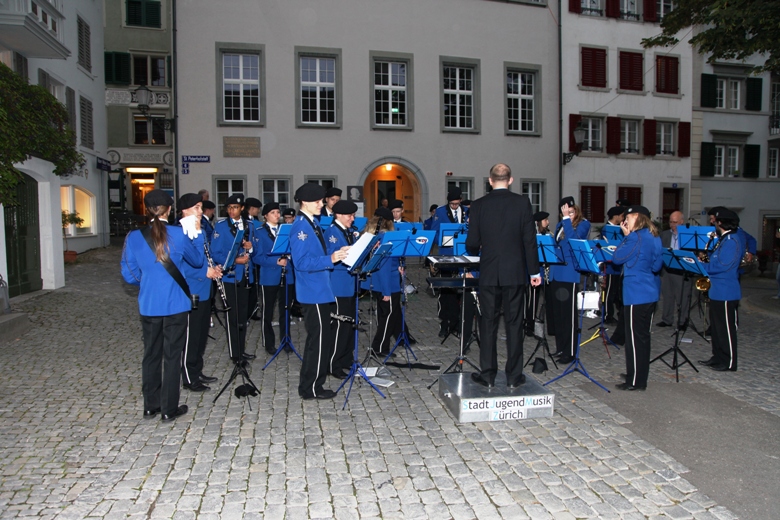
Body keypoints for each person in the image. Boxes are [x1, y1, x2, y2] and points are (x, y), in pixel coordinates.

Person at [121, 189, 203, 422]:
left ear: (147, 210)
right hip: (176, 303)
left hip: (149, 304)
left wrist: (149, 282)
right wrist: (197, 234)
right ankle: (168, 408)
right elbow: (197, 261)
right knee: (172, 356)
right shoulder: (179, 234)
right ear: (169, 210)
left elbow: (128, 274)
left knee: (151, 355)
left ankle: (150, 405)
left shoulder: (133, 237)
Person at [466, 164, 540, 388]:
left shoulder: (478, 205)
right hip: (515, 272)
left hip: (489, 272)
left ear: (490, 181)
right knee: (514, 323)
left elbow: (471, 243)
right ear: (510, 180)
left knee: (487, 323)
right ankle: (514, 376)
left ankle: (488, 375)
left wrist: (480, 246)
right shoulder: (522, 203)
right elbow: (529, 240)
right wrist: (534, 271)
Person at [290, 183, 350, 400]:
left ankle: (313, 384)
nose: (321, 205)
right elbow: (301, 262)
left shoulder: (312, 223)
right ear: (304, 202)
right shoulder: (301, 227)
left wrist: (337, 253)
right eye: (317, 202)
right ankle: (311, 388)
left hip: (320, 289)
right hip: (312, 291)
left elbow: (317, 253)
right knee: (318, 341)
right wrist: (330, 259)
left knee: (320, 340)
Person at [611, 205, 663, 391]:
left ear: (638, 218)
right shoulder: (654, 236)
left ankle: (634, 381)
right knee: (642, 338)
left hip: (636, 293)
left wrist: (626, 237)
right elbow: (657, 266)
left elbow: (617, 258)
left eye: (628, 218)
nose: (625, 222)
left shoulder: (635, 237)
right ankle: (638, 376)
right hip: (649, 292)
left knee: (633, 340)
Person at [176, 194, 222, 392]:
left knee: (201, 334)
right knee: (191, 336)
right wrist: (204, 272)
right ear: (184, 210)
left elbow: (204, 257)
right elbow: (178, 266)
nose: (200, 211)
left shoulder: (200, 230)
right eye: (196, 207)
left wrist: (213, 268)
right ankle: (188, 376)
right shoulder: (179, 233)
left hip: (204, 290)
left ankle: (197, 370)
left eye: (201, 207)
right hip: (190, 290)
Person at [210, 194, 260, 363]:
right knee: (233, 316)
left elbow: (256, 250)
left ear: (242, 208)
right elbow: (215, 253)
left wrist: (250, 248)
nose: (232, 211)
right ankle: (235, 354)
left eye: (236, 207)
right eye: (229, 207)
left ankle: (241, 349)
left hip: (246, 276)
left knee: (243, 317)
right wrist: (235, 260)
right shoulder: (221, 226)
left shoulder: (249, 225)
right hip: (230, 277)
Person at [699, 208, 744, 371]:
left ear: (721, 222)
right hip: (717, 290)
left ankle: (728, 361)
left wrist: (701, 266)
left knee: (726, 329)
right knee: (717, 329)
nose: (714, 223)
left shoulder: (732, 240)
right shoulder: (724, 239)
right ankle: (717, 357)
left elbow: (722, 265)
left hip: (726, 291)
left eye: (715, 221)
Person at [549, 196, 591, 363]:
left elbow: (574, 241)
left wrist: (567, 220)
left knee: (569, 316)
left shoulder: (583, 224)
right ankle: (561, 348)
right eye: (566, 212)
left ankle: (571, 351)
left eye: (571, 212)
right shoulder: (560, 225)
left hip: (569, 273)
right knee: (558, 315)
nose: (569, 215)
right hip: (556, 273)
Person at [324, 200, 360, 377]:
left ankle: (346, 359)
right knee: (339, 326)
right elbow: (331, 256)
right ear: (338, 215)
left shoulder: (349, 231)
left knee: (348, 325)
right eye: (349, 215)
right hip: (338, 285)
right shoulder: (331, 232)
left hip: (349, 284)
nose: (352, 219)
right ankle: (333, 364)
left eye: (353, 215)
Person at [362, 207, 403, 357]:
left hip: (377, 283)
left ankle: (382, 347)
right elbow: (384, 266)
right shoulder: (387, 238)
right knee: (389, 316)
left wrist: (399, 265)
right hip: (388, 284)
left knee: (383, 315)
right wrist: (387, 291)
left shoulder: (372, 236)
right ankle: (379, 347)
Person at [256, 202, 295, 355]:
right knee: (268, 311)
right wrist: (275, 261)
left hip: (287, 274)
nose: (277, 215)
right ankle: (269, 343)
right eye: (273, 213)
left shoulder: (285, 230)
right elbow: (257, 257)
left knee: (286, 309)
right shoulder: (259, 232)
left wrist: (290, 256)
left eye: (278, 212)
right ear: (265, 215)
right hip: (269, 276)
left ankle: (286, 340)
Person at [431, 187, 467, 337]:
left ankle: (457, 323)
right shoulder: (440, 212)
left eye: (457, 203)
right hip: (446, 255)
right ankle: (444, 323)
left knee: (460, 292)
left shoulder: (466, 211)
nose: (454, 206)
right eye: (452, 204)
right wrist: (443, 239)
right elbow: (434, 232)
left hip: (462, 256)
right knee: (445, 292)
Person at [657, 211, 692, 329]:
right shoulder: (665, 234)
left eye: (675, 222)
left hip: (681, 269)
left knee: (682, 297)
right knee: (667, 295)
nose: (672, 224)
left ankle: (683, 321)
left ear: (682, 222)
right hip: (667, 269)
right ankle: (667, 319)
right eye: (671, 222)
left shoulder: (688, 235)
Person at [602, 206, 626, 326]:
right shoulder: (607, 229)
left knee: (617, 291)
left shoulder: (621, 229)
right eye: (622, 216)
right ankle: (608, 315)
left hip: (619, 264)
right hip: (611, 265)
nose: (623, 218)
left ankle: (620, 313)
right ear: (616, 216)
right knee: (610, 291)